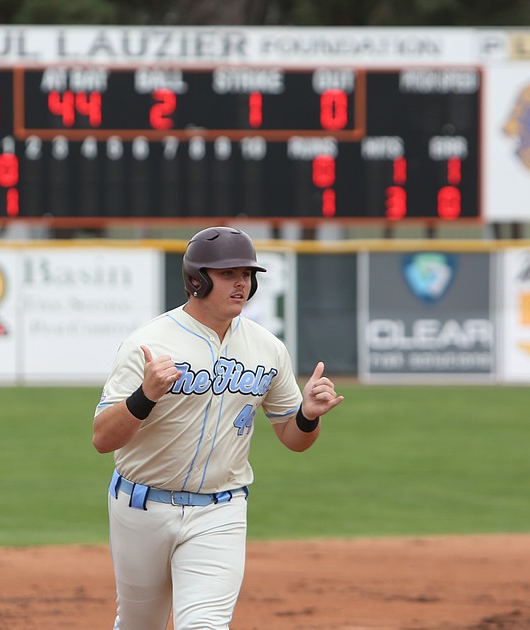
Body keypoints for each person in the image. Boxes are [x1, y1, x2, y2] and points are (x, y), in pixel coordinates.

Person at [92, 226, 344, 629]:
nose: (241, 283)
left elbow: (293, 439)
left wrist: (308, 415)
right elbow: (103, 439)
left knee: (205, 625)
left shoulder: (268, 348)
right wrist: (145, 394)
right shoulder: (149, 342)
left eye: (247, 274)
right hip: (140, 507)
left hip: (221, 509)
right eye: (228, 274)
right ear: (197, 279)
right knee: (141, 623)